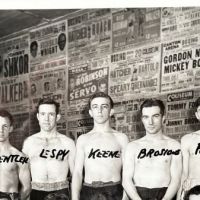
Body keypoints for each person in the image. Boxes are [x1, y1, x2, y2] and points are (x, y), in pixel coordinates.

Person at [72, 92, 129, 200]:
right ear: (90, 112)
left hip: (114, 190)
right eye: (95, 107)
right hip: (89, 191)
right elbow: (78, 172)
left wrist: (125, 197)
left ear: (111, 111)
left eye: (104, 106)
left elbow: (127, 172)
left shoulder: (121, 138)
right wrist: (75, 198)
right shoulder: (83, 139)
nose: (99, 110)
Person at [123, 99, 182, 200]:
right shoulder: (132, 146)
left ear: (163, 118)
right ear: (142, 119)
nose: (150, 122)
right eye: (146, 117)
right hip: (138, 195)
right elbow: (126, 180)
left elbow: (176, 180)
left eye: (155, 116)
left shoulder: (174, 146)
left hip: (165, 195)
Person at [22, 99, 75, 200]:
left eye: (51, 114)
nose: (46, 119)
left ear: (57, 117)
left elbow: (76, 176)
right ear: (38, 116)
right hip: (36, 193)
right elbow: (24, 177)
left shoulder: (68, 143)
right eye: (43, 114)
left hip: (61, 192)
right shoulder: (29, 142)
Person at [0, 109, 31, 200]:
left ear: (10, 128)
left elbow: (27, 188)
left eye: (4, 126)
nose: (1, 130)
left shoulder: (19, 157)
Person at [178, 97, 200, 199]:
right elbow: (184, 173)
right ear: (197, 115)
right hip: (193, 190)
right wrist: (179, 197)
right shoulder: (187, 140)